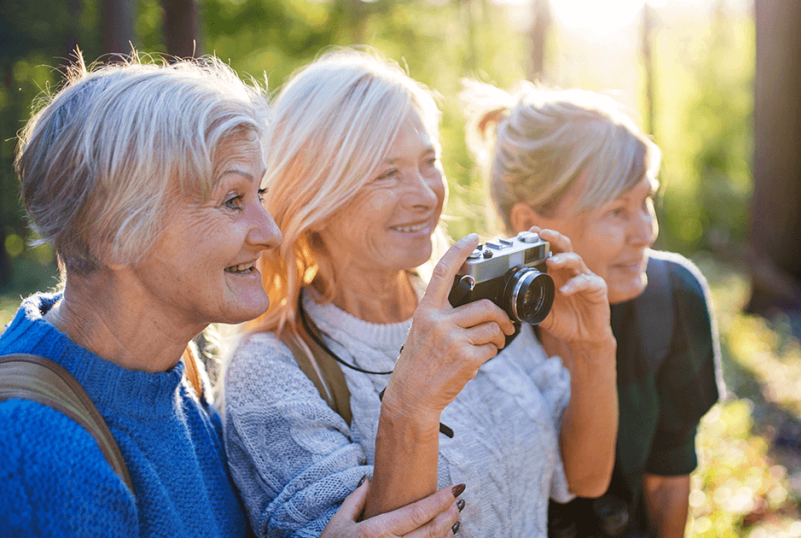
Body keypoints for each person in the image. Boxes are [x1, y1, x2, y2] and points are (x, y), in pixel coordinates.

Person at [0, 54, 463, 538]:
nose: (271, 232)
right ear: (114, 234)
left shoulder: (177, 383)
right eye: (232, 201)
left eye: (259, 195)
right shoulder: (34, 447)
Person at [221, 49, 619, 538]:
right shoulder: (271, 373)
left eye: (429, 162)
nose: (426, 195)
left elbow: (585, 477)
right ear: (315, 196)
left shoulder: (477, 299)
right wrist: (411, 405)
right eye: (387, 173)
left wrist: (594, 349)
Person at [462, 81, 724, 537]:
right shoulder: (472, 328)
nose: (646, 232)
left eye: (646, 200)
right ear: (529, 225)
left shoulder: (673, 300)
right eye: (617, 212)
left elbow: (667, 481)